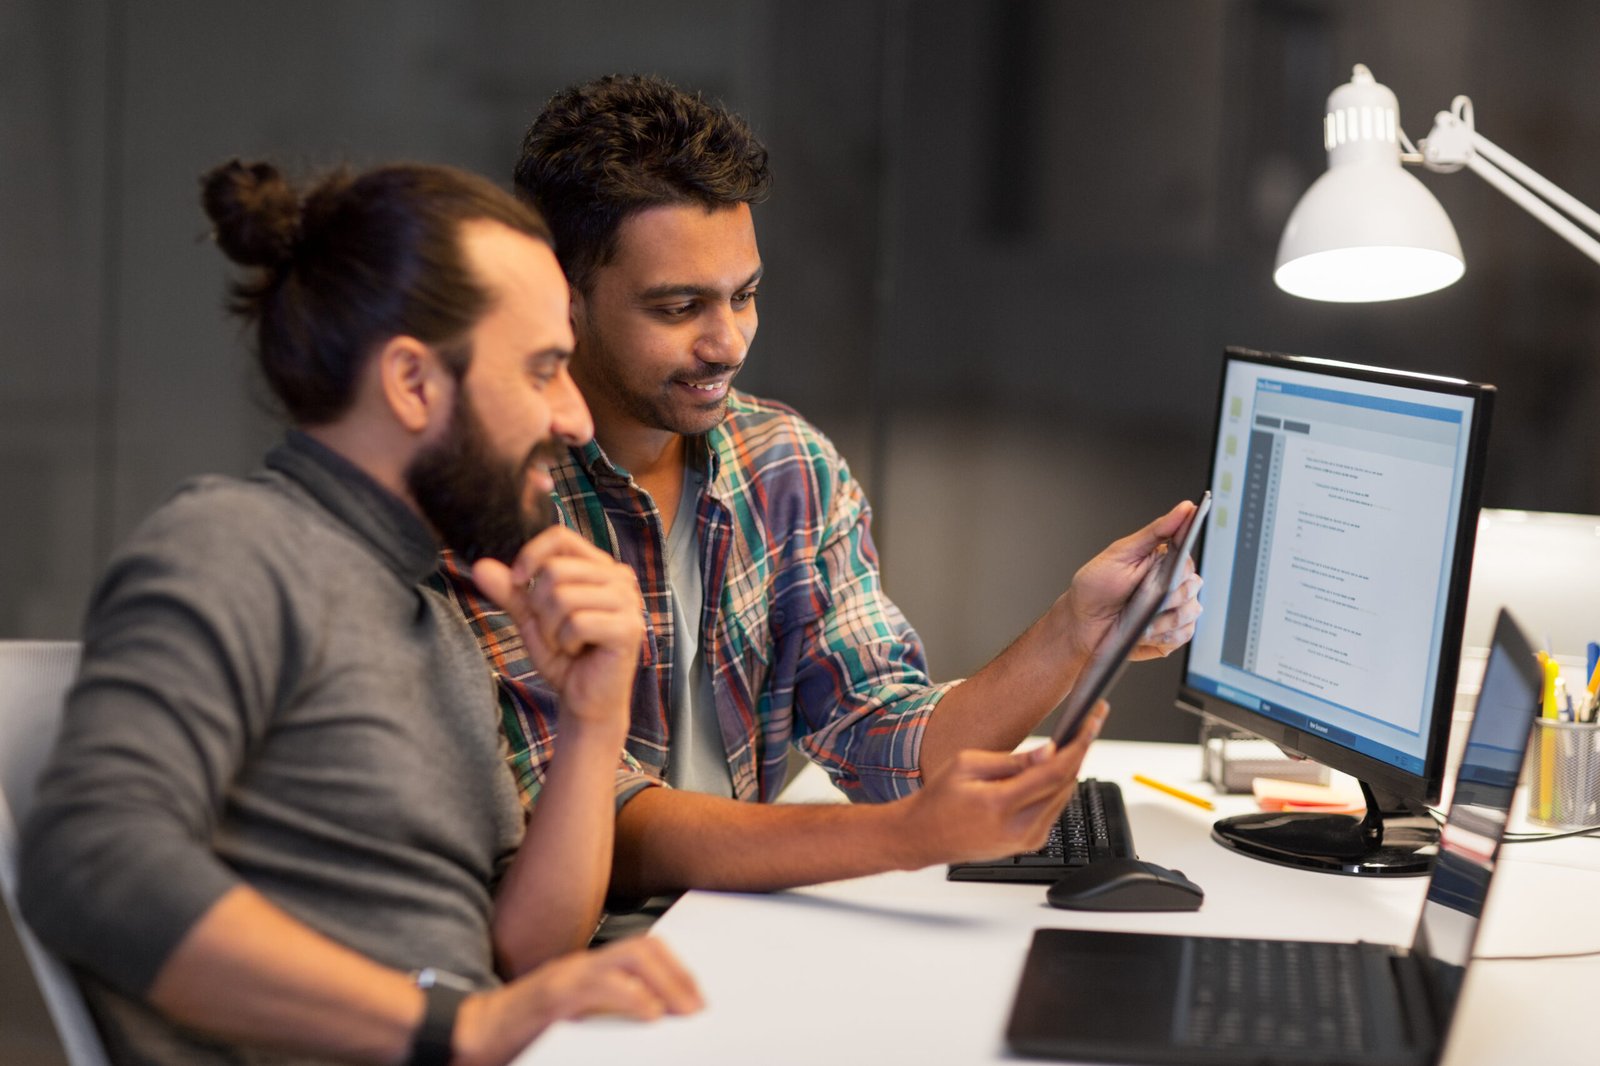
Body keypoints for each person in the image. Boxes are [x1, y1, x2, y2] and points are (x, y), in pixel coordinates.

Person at [435, 74, 1203, 903]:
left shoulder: (784, 464)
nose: (726, 343)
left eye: (746, 295)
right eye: (679, 306)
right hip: (587, 965)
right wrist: (898, 840)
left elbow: (886, 740)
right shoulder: (494, 500)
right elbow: (598, 825)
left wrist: (1072, 632)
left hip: (734, 929)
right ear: (563, 296)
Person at [18, 158, 700, 1066]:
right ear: (414, 383)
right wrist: (457, 1025)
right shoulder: (234, 546)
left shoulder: (431, 608)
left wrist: (592, 716)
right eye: (544, 369)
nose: (575, 417)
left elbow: (521, 952)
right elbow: (92, 860)